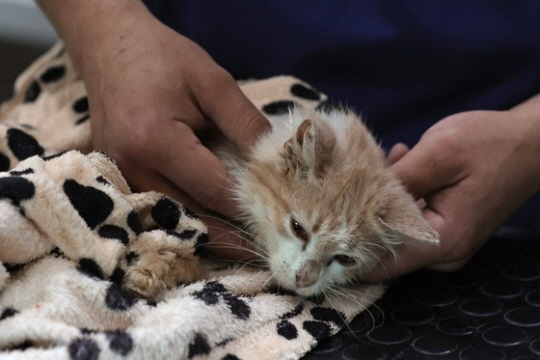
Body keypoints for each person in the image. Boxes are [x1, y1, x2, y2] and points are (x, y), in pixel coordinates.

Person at [37, 0, 540, 282]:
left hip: (496, 197)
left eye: (338, 259)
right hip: (156, 82)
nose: (304, 276)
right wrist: (104, 28)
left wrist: (528, 141)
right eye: (300, 231)